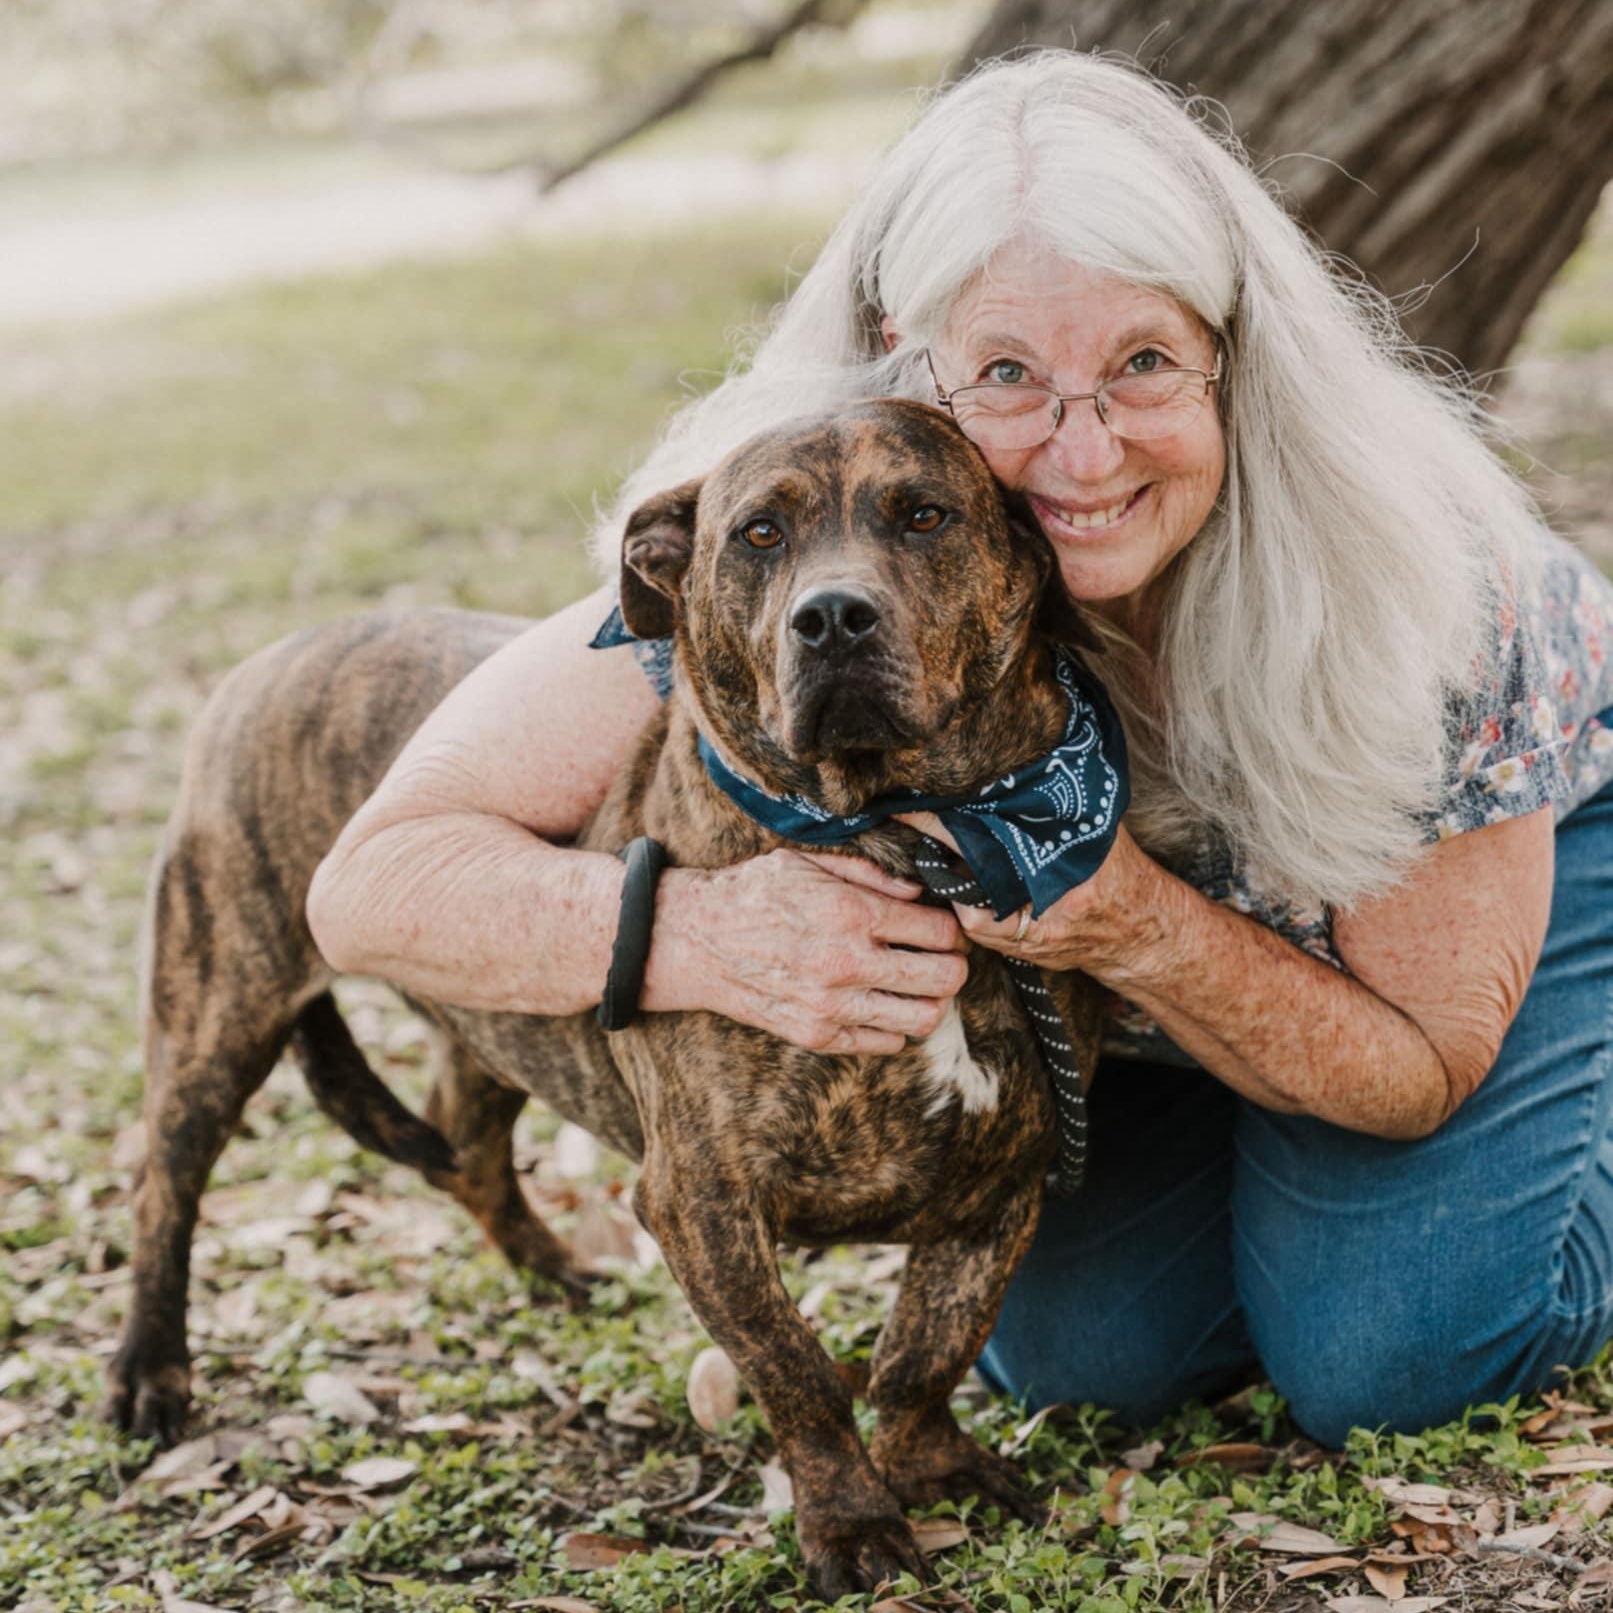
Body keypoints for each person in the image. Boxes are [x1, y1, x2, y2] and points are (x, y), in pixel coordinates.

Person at [307, 51, 1613, 1448]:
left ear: (1233, 354)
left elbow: (1413, 1069)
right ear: (909, 358)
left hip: (1420, 969)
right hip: (1145, 1033)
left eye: (1143, 364)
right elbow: (373, 887)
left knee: (1394, 1358)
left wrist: (1128, 920)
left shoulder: (1425, 586)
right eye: (1006, 374)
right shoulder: (808, 535)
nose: (1083, 454)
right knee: (1083, 1359)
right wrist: (700, 932)